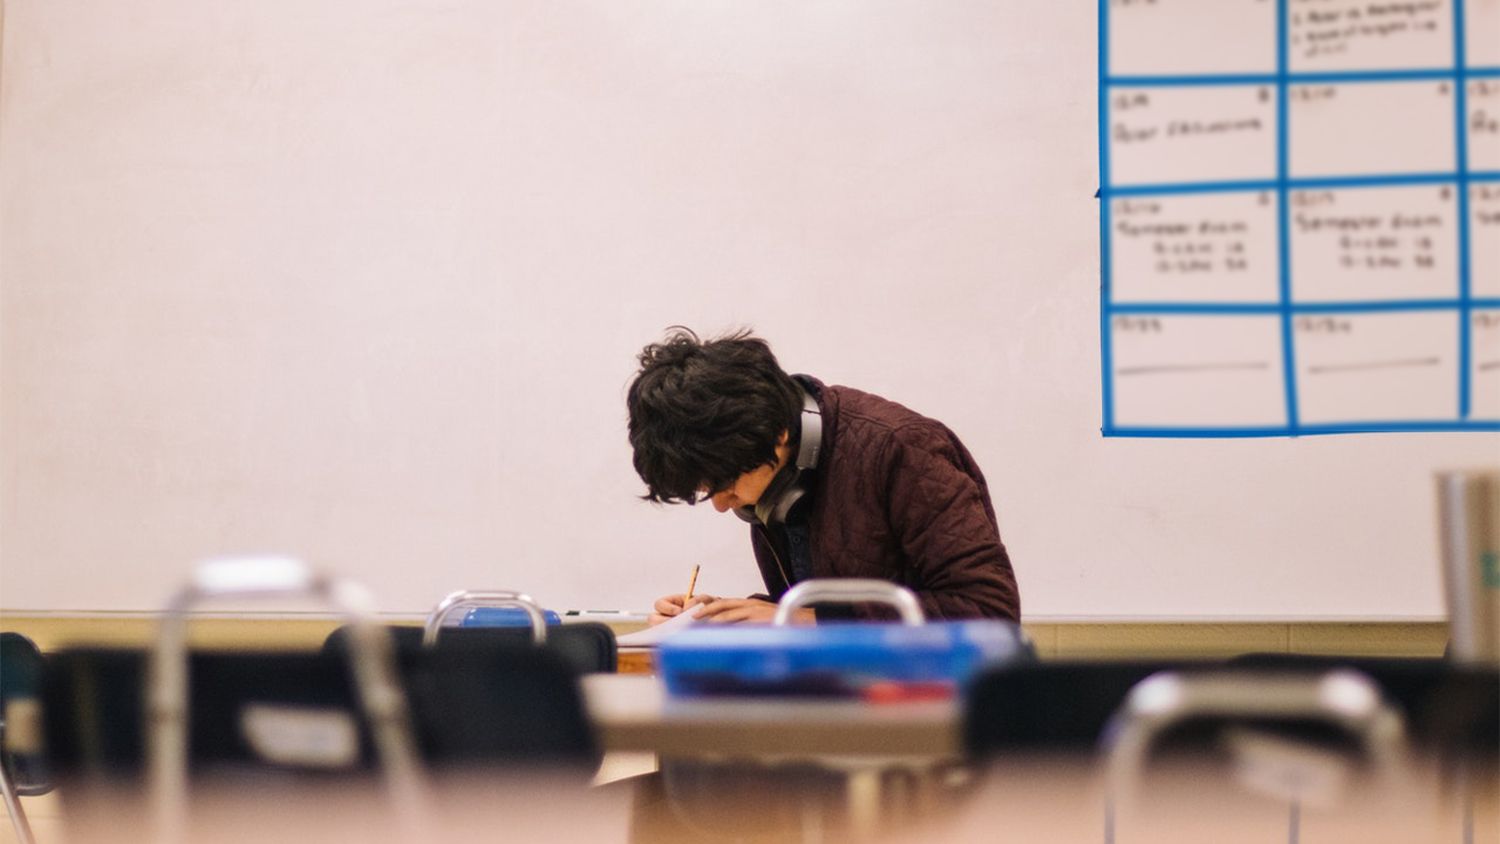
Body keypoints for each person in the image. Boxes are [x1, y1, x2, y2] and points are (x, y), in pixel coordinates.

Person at [626, 327, 1020, 625]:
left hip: (929, 714)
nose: (720, 505)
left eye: (725, 486)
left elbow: (989, 611)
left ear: (777, 435)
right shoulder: (779, 474)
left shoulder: (902, 448)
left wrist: (804, 622)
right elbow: (826, 605)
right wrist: (726, 619)